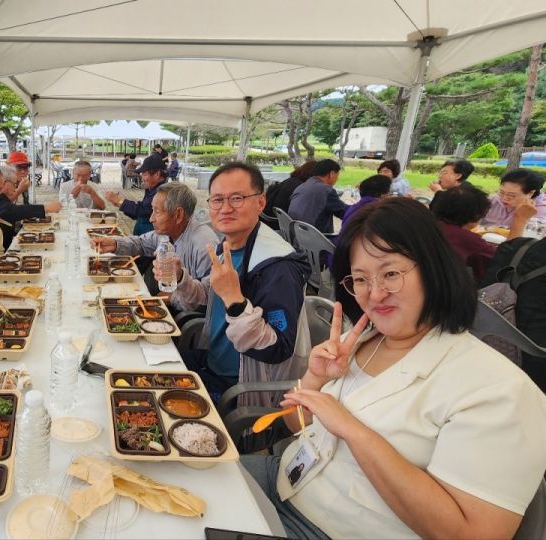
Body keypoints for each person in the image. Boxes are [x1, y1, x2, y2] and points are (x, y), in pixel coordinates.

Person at [241, 198, 546, 539]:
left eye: (390, 274)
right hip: (282, 480)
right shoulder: (363, 341)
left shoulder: (499, 391)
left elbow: (474, 534)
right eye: (360, 279)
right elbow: (293, 426)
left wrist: (353, 430)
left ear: (433, 268)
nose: (375, 294)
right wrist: (313, 381)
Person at [168, 163, 309, 402]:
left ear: (261, 202)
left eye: (236, 198)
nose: (225, 208)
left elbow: (277, 348)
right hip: (211, 363)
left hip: (240, 387)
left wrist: (235, 301)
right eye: (217, 200)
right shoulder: (228, 248)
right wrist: (181, 278)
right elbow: (209, 296)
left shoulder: (277, 267)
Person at [91, 182, 218, 291]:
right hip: (164, 292)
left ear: (178, 215)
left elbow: (209, 296)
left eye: (156, 211)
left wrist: (172, 298)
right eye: (152, 210)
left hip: (186, 314)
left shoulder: (204, 244)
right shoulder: (166, 233)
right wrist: (115, 244)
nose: (151, 218)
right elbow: (141, 243)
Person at [430, 185, 497, 281]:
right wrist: (519, 221)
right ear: (477, 215)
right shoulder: (467, 239)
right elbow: (502, 258)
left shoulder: (427, 222)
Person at [0, 164, 62, 248]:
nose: (15, 188)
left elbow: (22, 207)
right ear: (5, 183)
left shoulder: (5, 195)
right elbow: (10, 210)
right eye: (15, 184)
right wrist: (45, 208)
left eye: (26, 168)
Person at [107, 153, 168, 235]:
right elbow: (139, 213)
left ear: (157, 174)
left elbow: (143, 210)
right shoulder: (151, 189)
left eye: (144, 174)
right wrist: (119, 203)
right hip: (142, 238)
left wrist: (120, 201)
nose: (142, 178)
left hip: (151, 240)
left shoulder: (162, 192)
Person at [289, 159, 350, 234]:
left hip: (297, 235)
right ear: (332, 174)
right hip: (314, 238)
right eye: (337, 175)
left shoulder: (302, 186)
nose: (337, 179)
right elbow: (345, 213)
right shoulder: (326, 190)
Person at [482, 168, 546, 229]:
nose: (504, 198)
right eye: (502, 192)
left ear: (530, 193)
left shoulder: (540, 211)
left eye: (511, 195)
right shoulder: (493, 200)